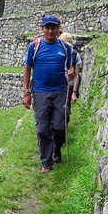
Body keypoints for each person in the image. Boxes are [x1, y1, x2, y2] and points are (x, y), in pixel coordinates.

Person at [22, 14, 75, 173]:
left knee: (60, 128)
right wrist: (26, 92)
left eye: (53, 27)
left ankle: (56, 149)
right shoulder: (35, 46)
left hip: (60, 91)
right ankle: (46, 162)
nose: (50, 31)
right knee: (42, 129)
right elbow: (27, 69)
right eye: (47, 27)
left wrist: (71, 72)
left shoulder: (66, 48)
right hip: (40, 92)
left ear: (59, 29)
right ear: (42, 29)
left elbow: (69, 67)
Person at [59, 32, 83, 126]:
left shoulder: (75, 55)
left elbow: (76, 75)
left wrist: (74, 92)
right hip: (57, 85)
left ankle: (63, 129)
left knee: (66, 109)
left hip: (69, 86)